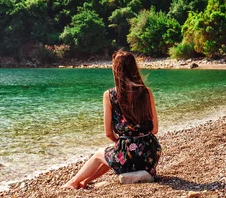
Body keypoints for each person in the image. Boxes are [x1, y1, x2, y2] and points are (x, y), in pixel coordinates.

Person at [63, 50, 162, 189]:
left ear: (116, 70)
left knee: (101, 154)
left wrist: (123, 143)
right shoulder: (146, 92)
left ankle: (73, 182)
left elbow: (108, 133)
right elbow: (155, 129)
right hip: (150, 154)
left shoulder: (110, 95)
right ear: (134, 68)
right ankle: (84, 182)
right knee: (112, 154)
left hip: (129, 156)